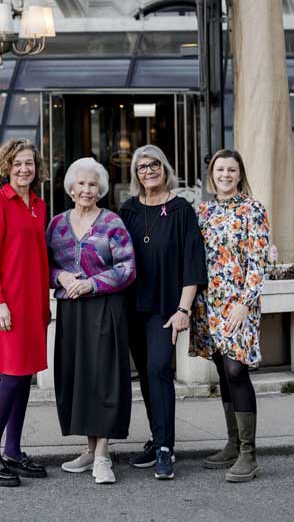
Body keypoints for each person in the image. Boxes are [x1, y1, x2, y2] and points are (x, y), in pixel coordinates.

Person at [119, 145, 207, 481]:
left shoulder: (182, 209)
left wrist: (184, 308)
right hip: (131, 308)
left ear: (164, 167)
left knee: (159, 370)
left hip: (165, 309)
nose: (149, 171)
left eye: (154, 164)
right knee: (145, 373)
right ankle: (157, 440)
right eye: (142, 167)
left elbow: (192, 262)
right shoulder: (128, 210)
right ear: (136, 175)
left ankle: (167, 448)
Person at [47, 158, 136, 485]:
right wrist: (61, 275)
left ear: (101, 189)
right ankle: (89, 449)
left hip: (105, 308)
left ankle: (103, 455)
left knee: (103, 379)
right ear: (71, 188)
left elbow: (127, 269)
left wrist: (92, 283)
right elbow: (44, 268)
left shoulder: (112, 223)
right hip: (71, 310)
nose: (87, 190)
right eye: (81, 184)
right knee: (78, 379)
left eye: (93, 184)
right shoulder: (56, 224)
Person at [189, 149, 270, 483]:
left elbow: (259, 260)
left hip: (238, 304)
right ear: (212, 174)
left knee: (236, 369)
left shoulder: (253, 210)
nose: (225, 175)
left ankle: (249, 454)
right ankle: (233, 444)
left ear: (240, 174)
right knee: (223, 371)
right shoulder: (203, 211)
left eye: (231, 170)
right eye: (219, 169)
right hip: (208, 304)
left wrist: (244, 303)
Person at [0, 139, 50, 488]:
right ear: (6, 167)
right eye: (18, 163)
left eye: (30, 164)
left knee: (24, 379)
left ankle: (14, 452)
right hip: (7, 307)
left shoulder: (39, 205)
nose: (24, 169)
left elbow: (39, 259)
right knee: (11, 379)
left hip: (33, 306)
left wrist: (45, 307)